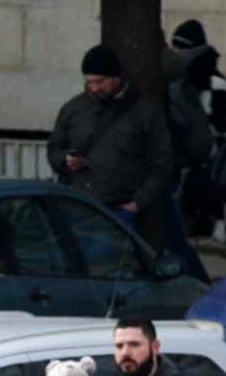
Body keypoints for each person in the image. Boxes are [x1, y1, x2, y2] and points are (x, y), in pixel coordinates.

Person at [51, 43, 176, 233]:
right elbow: (54, 148)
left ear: (117, 77)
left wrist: (136, 204)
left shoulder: (146, 112)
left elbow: (162, 163)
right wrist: (65, 160)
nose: (94, 87)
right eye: (89, 82)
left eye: (100, 81)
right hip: (78, 204)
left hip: (120, 208)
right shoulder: (73, 110)